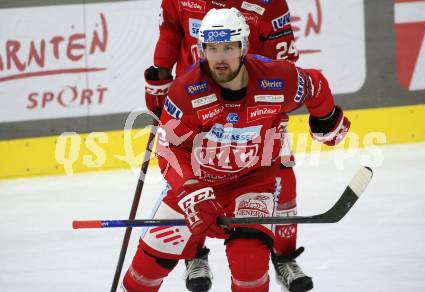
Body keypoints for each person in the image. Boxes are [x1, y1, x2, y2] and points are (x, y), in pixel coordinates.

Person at [122, 8, 350, 292]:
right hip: (200, 183)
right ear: (202, 49)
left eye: (228, 47)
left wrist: (326, 119)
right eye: (212, 48)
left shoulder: (277, 78)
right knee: (144, 273)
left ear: (243, 47)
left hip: (250, 185)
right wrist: (191, 188)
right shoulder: (185, 91)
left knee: (249, 264)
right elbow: (169, 150)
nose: (220, 57)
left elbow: (315, 84)